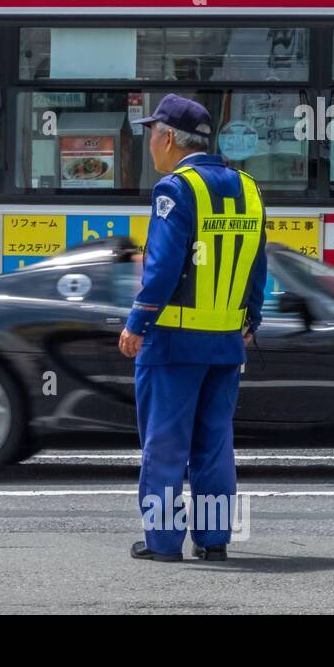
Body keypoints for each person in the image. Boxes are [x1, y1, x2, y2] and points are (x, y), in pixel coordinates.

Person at [119, 94, 268, 563]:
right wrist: (249, 321)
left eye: (151, 135)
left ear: (167, 138)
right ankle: (214, 539)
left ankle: (163, 543)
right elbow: (257, 268)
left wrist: (137, 322)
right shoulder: (248, 187)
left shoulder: (175, 189)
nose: (150, 146)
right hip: (225, 343)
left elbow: (161, 269)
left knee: (165, 445)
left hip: (173, 344)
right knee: (214, 445)